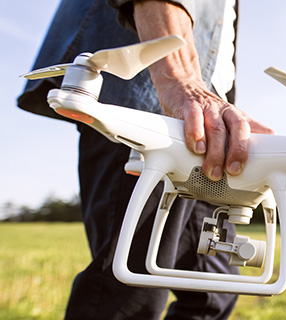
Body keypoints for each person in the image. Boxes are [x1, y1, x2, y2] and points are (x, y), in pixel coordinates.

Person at [18, 0, 273, 319]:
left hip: (206, 123)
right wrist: (178, 77)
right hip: (144, 110)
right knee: (130, 292)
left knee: (215, 290)